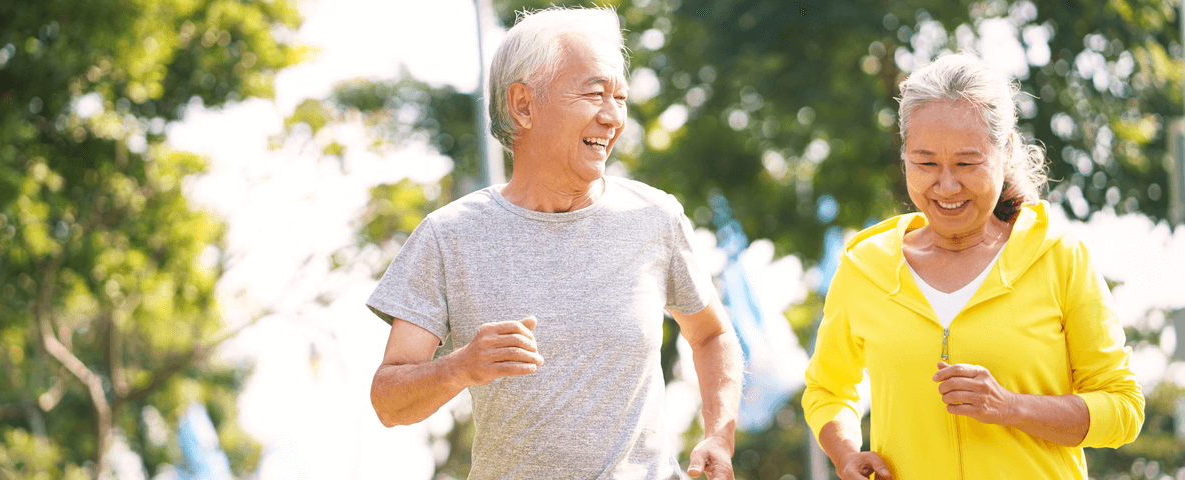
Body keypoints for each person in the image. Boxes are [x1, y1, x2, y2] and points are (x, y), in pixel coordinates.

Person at [366, 7, 743, 480]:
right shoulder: (450, 235)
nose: (613, 118)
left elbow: (712, 334)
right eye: (593, 94)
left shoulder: (656, 217)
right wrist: (460, 367)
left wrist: (719, 435)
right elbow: (389, 400)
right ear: (524, 105)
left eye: (620, 97)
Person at [802, 54, 1144, 480]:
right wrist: (846, 452)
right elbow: (827, 389)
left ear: (1007, 151)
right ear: (905, 156)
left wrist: (1010, 406)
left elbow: (1123, 408)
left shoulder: (1060, 257)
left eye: (967, 163)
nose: (946, 186)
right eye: (925, 163)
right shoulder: (865, 268)